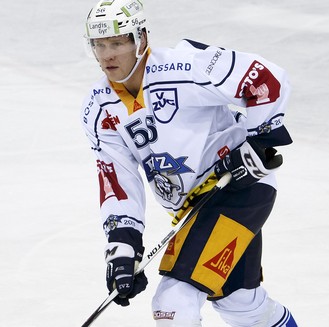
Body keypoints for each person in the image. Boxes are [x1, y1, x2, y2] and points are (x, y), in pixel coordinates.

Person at [79, 0, 299, 326]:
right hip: (194, 208)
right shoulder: (99, 109)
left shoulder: (184, 67)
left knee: (172, 304)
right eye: (99, 45)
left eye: (116, 42)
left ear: (140, 39)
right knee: (243, 305)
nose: (107, 54)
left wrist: (259, 142)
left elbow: (266, 78)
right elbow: (118, 181)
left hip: (237, 190)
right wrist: (123, 248)